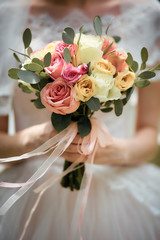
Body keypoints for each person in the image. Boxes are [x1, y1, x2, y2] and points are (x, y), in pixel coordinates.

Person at [0, 0, 160, 239]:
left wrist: (117, 151)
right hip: (32, 186)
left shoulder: (149, 14)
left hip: (120, 183)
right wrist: (37, 139)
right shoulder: (7, 14)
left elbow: (150, 131)